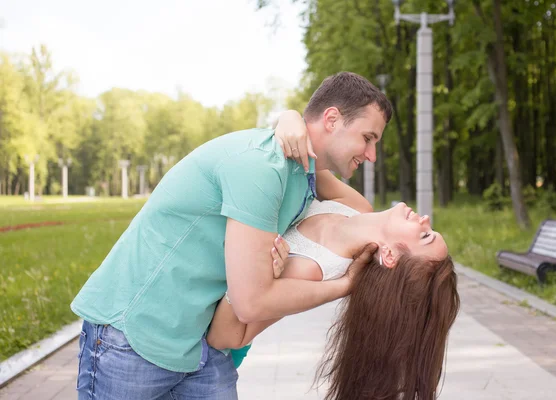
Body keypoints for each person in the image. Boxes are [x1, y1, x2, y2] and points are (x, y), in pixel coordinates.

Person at [70, 71, 393, 399]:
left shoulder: (303, 170)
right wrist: (343, 286)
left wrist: (291, 117)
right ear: (332, 118)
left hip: (198, 345)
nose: (371, 155)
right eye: (368, 138)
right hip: (132, 339)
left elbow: (360, 210)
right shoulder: (262, 167)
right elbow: (251, 303)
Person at [207, 196, 460, 400]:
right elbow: (313, 165)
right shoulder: (357, 207)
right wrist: (290, 128)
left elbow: (225, 336)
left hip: (201, 350)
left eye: (425, 235)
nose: (426, 219)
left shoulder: (315, 269)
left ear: (391, 255)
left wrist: (254, 270)